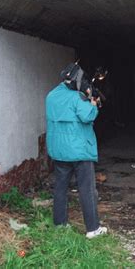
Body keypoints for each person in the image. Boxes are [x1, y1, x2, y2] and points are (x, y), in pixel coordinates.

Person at [45, 63, 107, 239]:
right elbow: (87, 116)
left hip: (58, 150)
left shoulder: (51, 95)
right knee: (87, 189)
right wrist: (93, 104)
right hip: (79, 150)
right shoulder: (76, 97)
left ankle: (60, 224)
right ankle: (93, 229)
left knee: (60, 188)